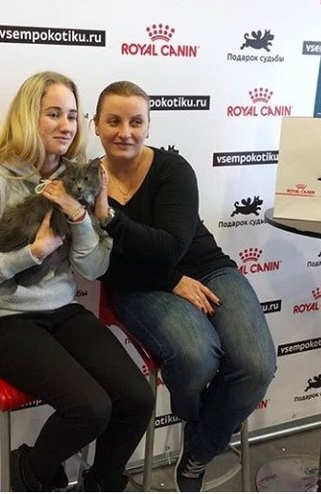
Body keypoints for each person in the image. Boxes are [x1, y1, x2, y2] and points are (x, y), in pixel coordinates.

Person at [0, 71, 155, 492]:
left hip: (63, 312)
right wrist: (33, 252)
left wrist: (79, 217)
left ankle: (101, 484)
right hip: (6, 320)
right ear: (29, 117)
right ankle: (29, 473)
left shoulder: (79, 179)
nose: (66, 126)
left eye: (73, 116)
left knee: (137, 399)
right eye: (54, 114)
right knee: (90, 409)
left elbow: (94, 268)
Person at [93, 80, 277, 492]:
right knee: (196, 357)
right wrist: (170, 280)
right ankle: (210, 424)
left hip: (208, 269)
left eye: (136, 122)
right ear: (96, 125)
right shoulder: (88, 179)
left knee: (256, 367)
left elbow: (172, 247)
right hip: (140, 288)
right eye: (114, 121)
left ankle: (199, 446)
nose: (125, 132)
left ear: (149, 126)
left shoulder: (172, 169)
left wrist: (109, 218)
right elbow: (101, 265)